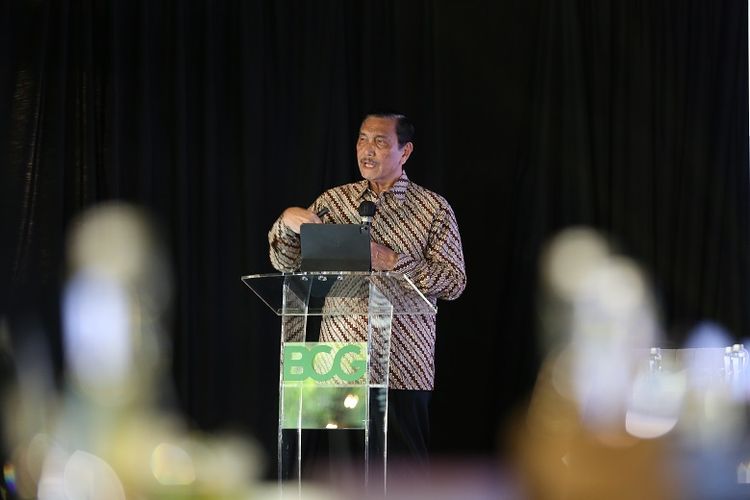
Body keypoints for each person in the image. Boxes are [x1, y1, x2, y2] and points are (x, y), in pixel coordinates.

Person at [268, 112, 466, 472]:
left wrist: (393, 260)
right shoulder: (333, 202)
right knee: (344, 477)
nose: (367, 150)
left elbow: (454, 281)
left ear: (405, 152)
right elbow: (286, 263)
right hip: (338, 365)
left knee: (402, 479)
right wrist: (287, 222)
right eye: (362, 139)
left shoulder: (433, 209)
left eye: (380, 141)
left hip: (403, 368)